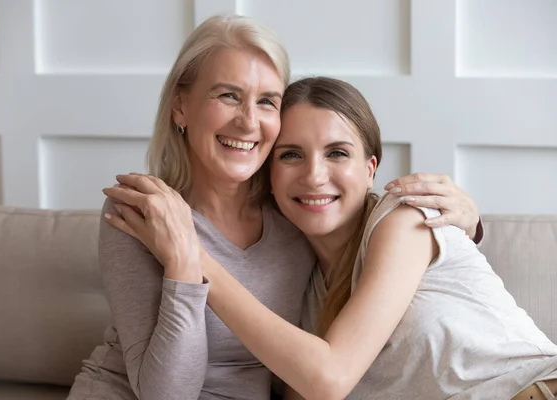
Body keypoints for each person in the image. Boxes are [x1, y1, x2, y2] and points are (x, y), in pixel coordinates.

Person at [73, 14, 481, 400]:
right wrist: (182, 265)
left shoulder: (295, 213)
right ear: (181, 106)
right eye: (229, 95)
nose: (249, 122)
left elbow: (374, 246)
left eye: (267, 101)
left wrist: (470, 222)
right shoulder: (143, 214)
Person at [105, 77, 557, 400]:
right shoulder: (298, 285)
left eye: (337, 153)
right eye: (292, 155)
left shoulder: (403, 221)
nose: (315, 176)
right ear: (270, 173)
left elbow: (330, 378)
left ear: (370, 168)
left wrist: (191, 256)